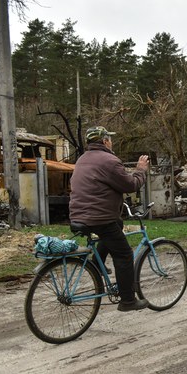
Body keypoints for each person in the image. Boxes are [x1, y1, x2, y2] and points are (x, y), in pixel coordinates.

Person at [69, 126, 150, 311]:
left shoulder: (81, 160)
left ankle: (97, 266)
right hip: (99, 217)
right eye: (110, 139)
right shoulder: (109, 160)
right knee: (124, 253)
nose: (111, 142)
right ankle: (128, 301)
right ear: (105, 141)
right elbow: (130, 185)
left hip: (78, 214)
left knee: (117, 225)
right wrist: (140, 170)